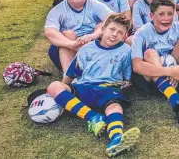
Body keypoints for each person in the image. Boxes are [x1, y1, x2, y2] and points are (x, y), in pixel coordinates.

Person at [46, 14, 139, 157]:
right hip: (85, 87)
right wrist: (62, 91)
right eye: (112, 29)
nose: (115, 35)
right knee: (54, 86)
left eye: (120, 32)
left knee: (115, 106)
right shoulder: (86, 49)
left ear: (125, 35)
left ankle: (116, 138)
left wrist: (126, 86)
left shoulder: (126, 51)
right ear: (103, 29)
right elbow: (72, 73)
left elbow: (127, 78)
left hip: (109, 89)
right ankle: (93, 118)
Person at [45, 0, 113, 71]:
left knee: (102, 25)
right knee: (68, 34)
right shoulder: (58, 10)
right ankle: (69, 78)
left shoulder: (93, 4)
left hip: (90, 43)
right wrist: (72, 44)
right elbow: (49, 32)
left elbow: (112, 17)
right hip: (68, 47)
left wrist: (94, 35)